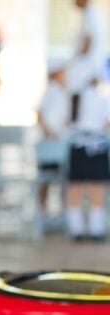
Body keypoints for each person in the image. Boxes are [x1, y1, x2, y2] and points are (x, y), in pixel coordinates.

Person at [64, 76, 110, 241]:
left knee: (76, 186)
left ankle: (77, 227)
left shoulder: (73, 96)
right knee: (96, 187)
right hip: (94, 145)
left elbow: (66, 122)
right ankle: (95, 228)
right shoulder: (100, 98)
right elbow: (106, 122)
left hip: (78, 145)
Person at [37, 59, 71, 228]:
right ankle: (42, 212)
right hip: (49, 143)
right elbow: (39, 113)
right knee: (46, 179)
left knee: (64, 177)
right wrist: (48, 132)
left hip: (62, 142)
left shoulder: (65, 91)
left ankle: (64, 212)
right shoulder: (50, 90)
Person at [69, 0, 107, 94]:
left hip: (87, 66)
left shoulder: (92, 15)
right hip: (91, 65)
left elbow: (87, 43)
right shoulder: (92, 14)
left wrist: (75, 62)